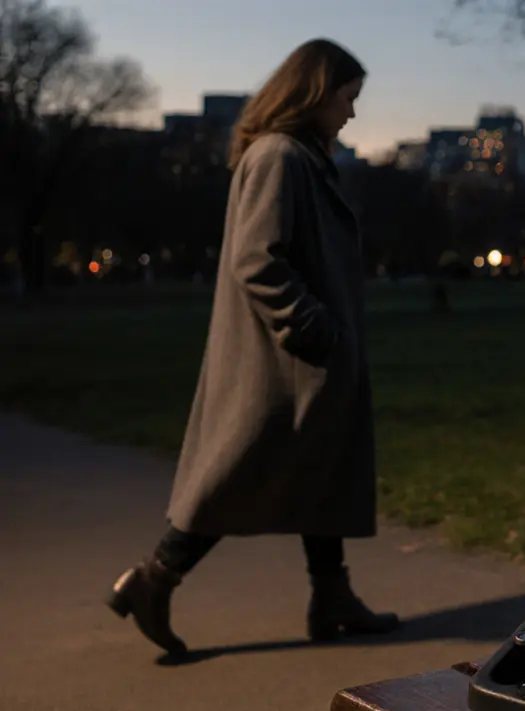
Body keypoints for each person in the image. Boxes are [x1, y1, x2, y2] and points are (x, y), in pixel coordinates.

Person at [106, 38, 398, 657]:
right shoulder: (280, 157)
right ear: (315, 93)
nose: (351, 113)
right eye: (347, 99)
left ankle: (333, 594)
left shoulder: (303, 157)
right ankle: (153, 579)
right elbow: (255, 260)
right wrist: (313, 326)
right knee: (236, 471)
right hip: (285, 360)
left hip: (304, 357)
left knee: (319, 469)